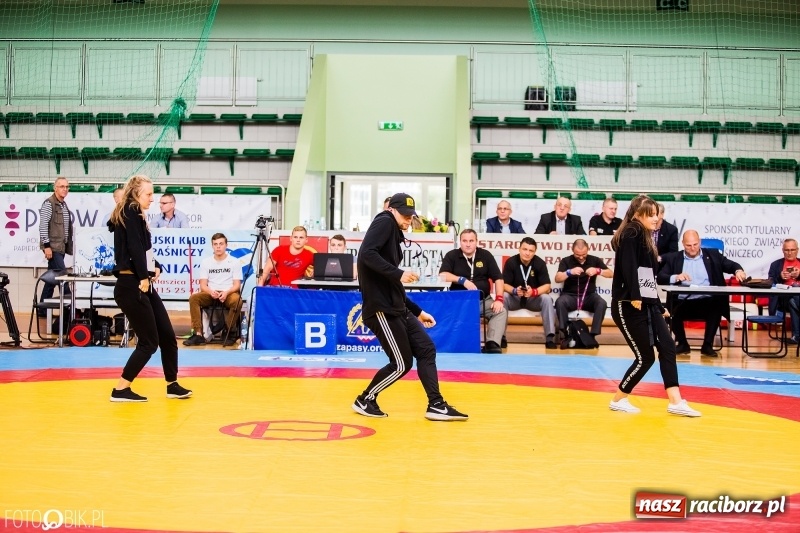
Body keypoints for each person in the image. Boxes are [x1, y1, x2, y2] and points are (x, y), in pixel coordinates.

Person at [352, 192, 467, 421]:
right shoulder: (384, 221)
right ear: (391, 210)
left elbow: (392, 286)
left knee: (426, 349)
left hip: (396, 307)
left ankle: (436, 404)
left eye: (410, 215)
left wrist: (418, 311)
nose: (407, 220)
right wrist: (399, 273)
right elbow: (365, 255)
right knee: (401, 363)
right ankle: (365, 399)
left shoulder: (394, 232)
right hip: (381, 310)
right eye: (404, 215)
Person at [608, 195, 701, 417]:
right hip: (629, 303)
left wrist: (657, 305)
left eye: (657, 214)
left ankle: (675, 401)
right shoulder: (632, 231)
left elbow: (646, 274)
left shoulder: (644, 235)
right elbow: (630, 266)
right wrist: (635, 296)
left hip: (645, 302)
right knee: (645, 357)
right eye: (651, 214)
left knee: (668, 345)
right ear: (639, 214)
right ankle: (618, 399)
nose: (656, 218)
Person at [108, 174, 192, 402]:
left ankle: (172, 384)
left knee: (167, 334)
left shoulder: (136, 213)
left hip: (140, 282)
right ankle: (121, 389)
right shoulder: (130, 211)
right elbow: (135, 247)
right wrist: (144, 276)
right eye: (149, 194)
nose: (152, 199)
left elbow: (143, 250)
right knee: (148, 342)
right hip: (132, 285)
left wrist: (155, 267)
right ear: (136, 194)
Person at [658, 230, 746, 356]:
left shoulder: (713, 255)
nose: (693, 248)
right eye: (689, 245)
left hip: (706, 301)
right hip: (683, 302)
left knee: (716, 307)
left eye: (695, 244)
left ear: (700, 242)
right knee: (671, 308)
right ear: (683, 244)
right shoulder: (674, 258)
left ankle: (707, 345)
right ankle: (682, 344)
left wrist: (738, 271)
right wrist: (676, 277)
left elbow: (731, 265)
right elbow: (661, 277)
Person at [440, 229, 508, 354]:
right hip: (459, 302)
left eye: (471, 241)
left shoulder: (486, 255)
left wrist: (499, 299)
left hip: (482, 300)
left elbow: (498, 279)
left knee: (501, 311)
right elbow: (442, 275)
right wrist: (462, 280)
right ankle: (453, 343)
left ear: (477, 242)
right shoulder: (452, 255)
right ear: (460, 242)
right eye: (464, 241)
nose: (468, 244)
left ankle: (492, 343)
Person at [183, 233, 243, 347]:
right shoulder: (206, 262)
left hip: (228, 292)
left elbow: (237, 285)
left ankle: (228, 331)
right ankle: (198, 334)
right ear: (212, 246)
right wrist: (211, 292)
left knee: (237, 301)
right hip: (211, 292)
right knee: (194, 298)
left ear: (226, 245)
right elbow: (203, 285)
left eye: (221, 244)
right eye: (215, 244)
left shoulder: (234, 261)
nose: (218, 247)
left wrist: (226, 292)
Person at [554, 238, 613, 348]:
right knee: (560, 302)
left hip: (589, 296)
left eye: (584, 254)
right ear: (572, 250)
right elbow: (557, 278)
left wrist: (598, 271)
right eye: (577, 255)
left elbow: (611, 274)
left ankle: (592, 335)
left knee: (602, 303)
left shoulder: (595, 260)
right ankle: (566, 335)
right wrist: (569, 272)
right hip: (570, 296)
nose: (581, 257)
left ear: (588, 250)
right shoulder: (566, 261)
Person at [502, 236, 557, 349]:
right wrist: (514, 290)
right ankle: (501, 336)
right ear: (519, 249)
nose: (527, 253)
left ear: (534, 252)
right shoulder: (511, 262)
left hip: (533, 299)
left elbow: (547, 286)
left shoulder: (539, 263)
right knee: (504, 296)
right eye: (525, 249)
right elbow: (503, 285)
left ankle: (550, 338)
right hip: (515, 298)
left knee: (546, 298)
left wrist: (534, 292)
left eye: (531, 250)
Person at [38, 176, 73, 315]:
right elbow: (43, 226)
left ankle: (41, 309)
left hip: (61, 247)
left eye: (66, 187)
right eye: (62, 186)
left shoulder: (64, 205)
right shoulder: (49, 203)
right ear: (55, 188)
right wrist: (47, 246)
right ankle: (71, 307)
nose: (65, 189)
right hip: (53, 248)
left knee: (51, 280)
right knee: (62, 276)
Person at [767, 238, 800, 344]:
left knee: (794, 300)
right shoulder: (775, 265)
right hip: (782, 301)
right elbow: (770, 283)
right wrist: (780, 277)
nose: (790, 253)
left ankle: (797, 336)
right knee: (792, 298)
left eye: (792, 250)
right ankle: (797, 335)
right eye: (787, 250)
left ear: (797, 250)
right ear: (782, 250)